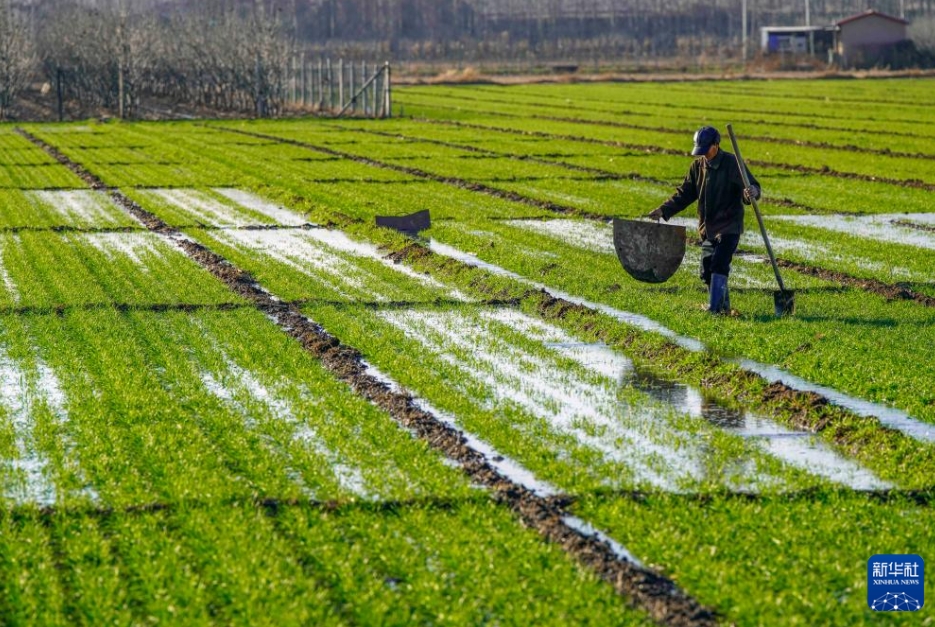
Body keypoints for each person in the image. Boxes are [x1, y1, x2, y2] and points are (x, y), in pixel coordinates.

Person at [648, 125, 760, 315]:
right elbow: (684, 194)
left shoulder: (732, 163)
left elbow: (752, 187)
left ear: (716, 145)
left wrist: (751, 193)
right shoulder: (697, 167)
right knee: (707, 270)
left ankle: (715, 309)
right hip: (707, 227)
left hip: (728, 225)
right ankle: (723, 307)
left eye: (706, 149)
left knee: (719, 264)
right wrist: (663, 210)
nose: (703, 154)